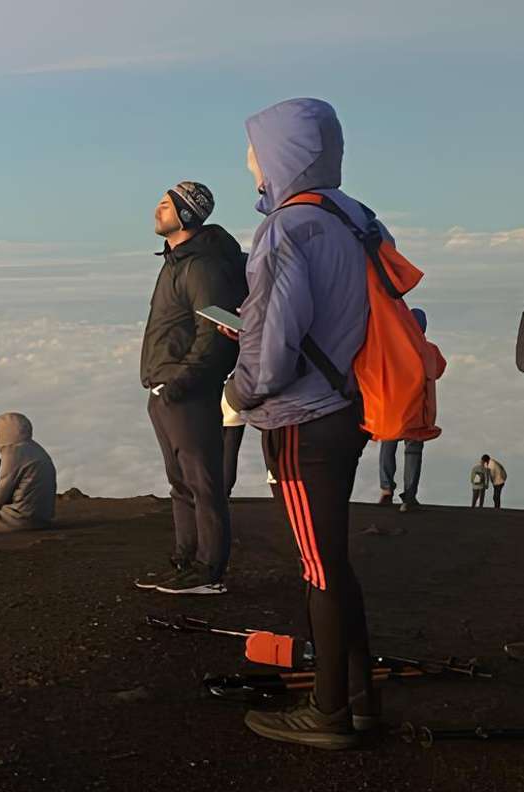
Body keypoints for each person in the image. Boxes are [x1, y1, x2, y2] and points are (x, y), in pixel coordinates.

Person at [224, 99, 379, 749]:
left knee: (317, 567)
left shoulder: (287, 229)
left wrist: (239, 389)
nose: (248, 162)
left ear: (280, 155)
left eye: (254, 150)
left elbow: (272, 342)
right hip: (350, 406)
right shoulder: (355, 218)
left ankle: (326, 714)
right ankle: (360, 699)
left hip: (301, 422)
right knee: (333, 561)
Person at [136, 181, 249, 596]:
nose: (157, 210)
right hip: (165, 388)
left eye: (166, 205)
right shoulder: (176, 262)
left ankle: (208, 572)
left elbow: (215, 333)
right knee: (181, 482)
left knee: (203, 482)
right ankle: (185, 562)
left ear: (187, 214)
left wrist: (184, 382)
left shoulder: (200, 266)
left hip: (187, 392)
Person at [377, 309, 442, 513]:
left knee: (388, 447)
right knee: (413, 452)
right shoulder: (431, 351)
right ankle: (409, 496)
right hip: (419, 414)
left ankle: (386, 490)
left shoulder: (393, 349)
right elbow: (440, 369)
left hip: (393, 411)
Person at [221, 390, 246, 499]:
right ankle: (224, 496)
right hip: (234, 402)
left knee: (208, 455)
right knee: (230, 453)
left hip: (210, 401)